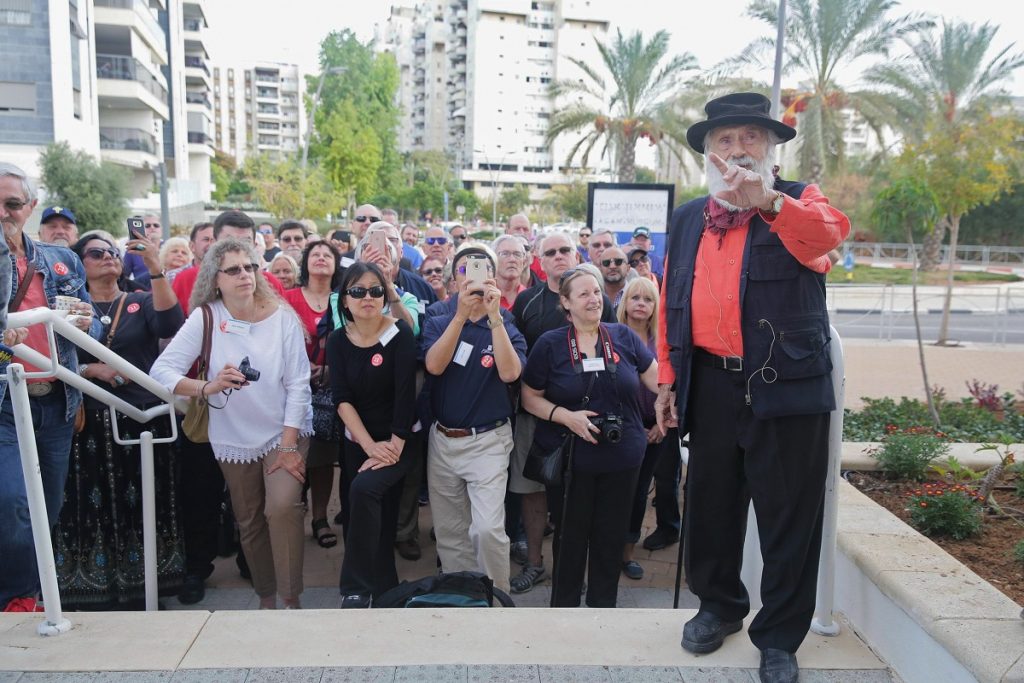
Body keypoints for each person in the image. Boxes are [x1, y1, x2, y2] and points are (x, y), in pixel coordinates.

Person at [655, 92, 850, 683]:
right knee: (711, 506)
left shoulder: (799, 203)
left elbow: (827, 238)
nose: (736, 150)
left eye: (749, 139)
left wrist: (767, 202)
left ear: (770, 149)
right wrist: (668, 379)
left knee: (790, 515)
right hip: (711, 386)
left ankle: (780, 636)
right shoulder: (690, 216)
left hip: (787, 386)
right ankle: (718, 607)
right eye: (724, 140)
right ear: (709, 154)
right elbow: (672, 302)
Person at [152, 238, 312, 610]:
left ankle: (291, 598)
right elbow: (161, 371)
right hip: (232, 435)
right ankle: (267, 597)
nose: (245, 275)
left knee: (282, 507)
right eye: (234, 269)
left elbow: (299, 385)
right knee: (249, 520)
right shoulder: (207, 316)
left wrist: (288, 447)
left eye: (251, 267)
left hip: (283, 431)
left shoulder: (282, 316)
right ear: (216, 278)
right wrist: (207, 386)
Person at [55, 230, 186, 608]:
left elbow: (169, 324)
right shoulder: (65, 308)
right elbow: (50, 351)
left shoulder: (139, 300)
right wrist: (89, 370)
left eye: (113, 251)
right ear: (79, 264)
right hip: (89, 422)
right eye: (96, 252)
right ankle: (93, 591)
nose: (108, 256)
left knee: (144, 503)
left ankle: (149, 588)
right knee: (90, 507)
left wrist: (155, 268)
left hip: (141, 419)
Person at [520, 268, 659, 607]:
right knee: (570, 541)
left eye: (596, 292)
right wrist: (565, 416)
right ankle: (564, 611)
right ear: (565, 303)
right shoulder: (550, 344)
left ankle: (602, 611)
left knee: (609, 542)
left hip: (622, 460)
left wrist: (672, 403)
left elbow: (658, 380)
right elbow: (529, 397)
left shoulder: (623, 337)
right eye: (583, 294)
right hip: (572, 463)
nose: (594, 298)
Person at [0, 162, 100, 612]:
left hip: (57, 401)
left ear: (30, 208)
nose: (2, 212)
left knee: (48, 506)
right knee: (15, 503)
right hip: (5, 400)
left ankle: (30, 593)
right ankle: (18, 597)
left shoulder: (64, 259)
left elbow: (92, 328)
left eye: (12, 204)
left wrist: (84, 323)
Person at [507, 232, 616, 595]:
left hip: (587, 415)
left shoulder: (596, 296)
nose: (558, 257)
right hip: (536, 413)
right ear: (538, 259)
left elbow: (616, 346)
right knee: (532, 490)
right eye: (550, 252)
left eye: (565, 250)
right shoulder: (527, 301)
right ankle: (535, 563)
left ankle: (573, 570)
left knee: (580, 497)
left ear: (576, 253)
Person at [422, 247, 526, 592]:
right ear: (455, 282)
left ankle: (496, 597)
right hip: (443, 440)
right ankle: (462, 597)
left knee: (487, 529)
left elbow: (511, 374)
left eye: (482, 273)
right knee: (451, 533)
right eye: (467, 273)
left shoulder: (506, 325)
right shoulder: (439, 321)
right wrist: (460, 317)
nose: (475, 281)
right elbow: (434, 365)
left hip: (488, 440)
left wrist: (493, 316)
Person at [327, 262, 417, 607]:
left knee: (368, 493)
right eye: (358, 291)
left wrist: (392, 446)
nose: (368, 297)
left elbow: (405, 395)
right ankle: (385, 589)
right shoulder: (338, 339)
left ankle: (356, 588)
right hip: (357, 442)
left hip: (400, 440)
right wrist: (368, 447)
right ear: (344, 300)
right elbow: (342, 398)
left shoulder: (399, 334)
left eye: (376, 290)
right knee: (358, 512)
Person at [615, 276, 679, 580]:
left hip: (656, 428)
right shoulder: (611, 336)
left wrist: (658, 423)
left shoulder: (663, 343)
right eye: (635, 298)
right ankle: (605, 546)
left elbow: (671, 385)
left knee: (640, 492)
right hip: (621, 428)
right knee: (616, 491)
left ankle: (626, 553)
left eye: (648, 299)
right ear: (625, 303)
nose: (641, 304)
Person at [283, 241, 342, 549]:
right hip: (291, 387)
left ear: (336, 264)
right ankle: (294, 514)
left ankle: (320, 518)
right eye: (315, 254)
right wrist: (301, 365)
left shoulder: (344, 298)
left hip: (329, 389)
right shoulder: (287, 298)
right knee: (292, 455)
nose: (321, 258)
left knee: (322, 458)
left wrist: (333, 367)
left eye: (327, 255)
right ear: (305, 263)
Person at [122, 214, 164, 287]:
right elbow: (123, 277)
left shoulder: (171, 247)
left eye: (156, 225)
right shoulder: (133, 249)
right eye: (147, 226)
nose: (152, 228)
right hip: (142, 292)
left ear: (161, 229)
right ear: (141, 229)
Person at [492, 235, 527, 310]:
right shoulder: (483, 297)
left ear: (524, 262)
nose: (512, 259)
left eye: (517, 254)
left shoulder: (532, 299)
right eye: (505, 254)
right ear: (493, 260)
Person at [507, 214, 544, 284]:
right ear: (507, 231)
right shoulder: (496, 260)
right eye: (517, 229)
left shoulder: (541, 264)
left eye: (525, 229)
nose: (522, 232)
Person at [597, 246, 630, 311]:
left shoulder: (636, 295)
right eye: (606, 263)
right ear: (600, 269)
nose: (612, 266)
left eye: (618, 261)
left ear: (628, 268)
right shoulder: (594, 296)